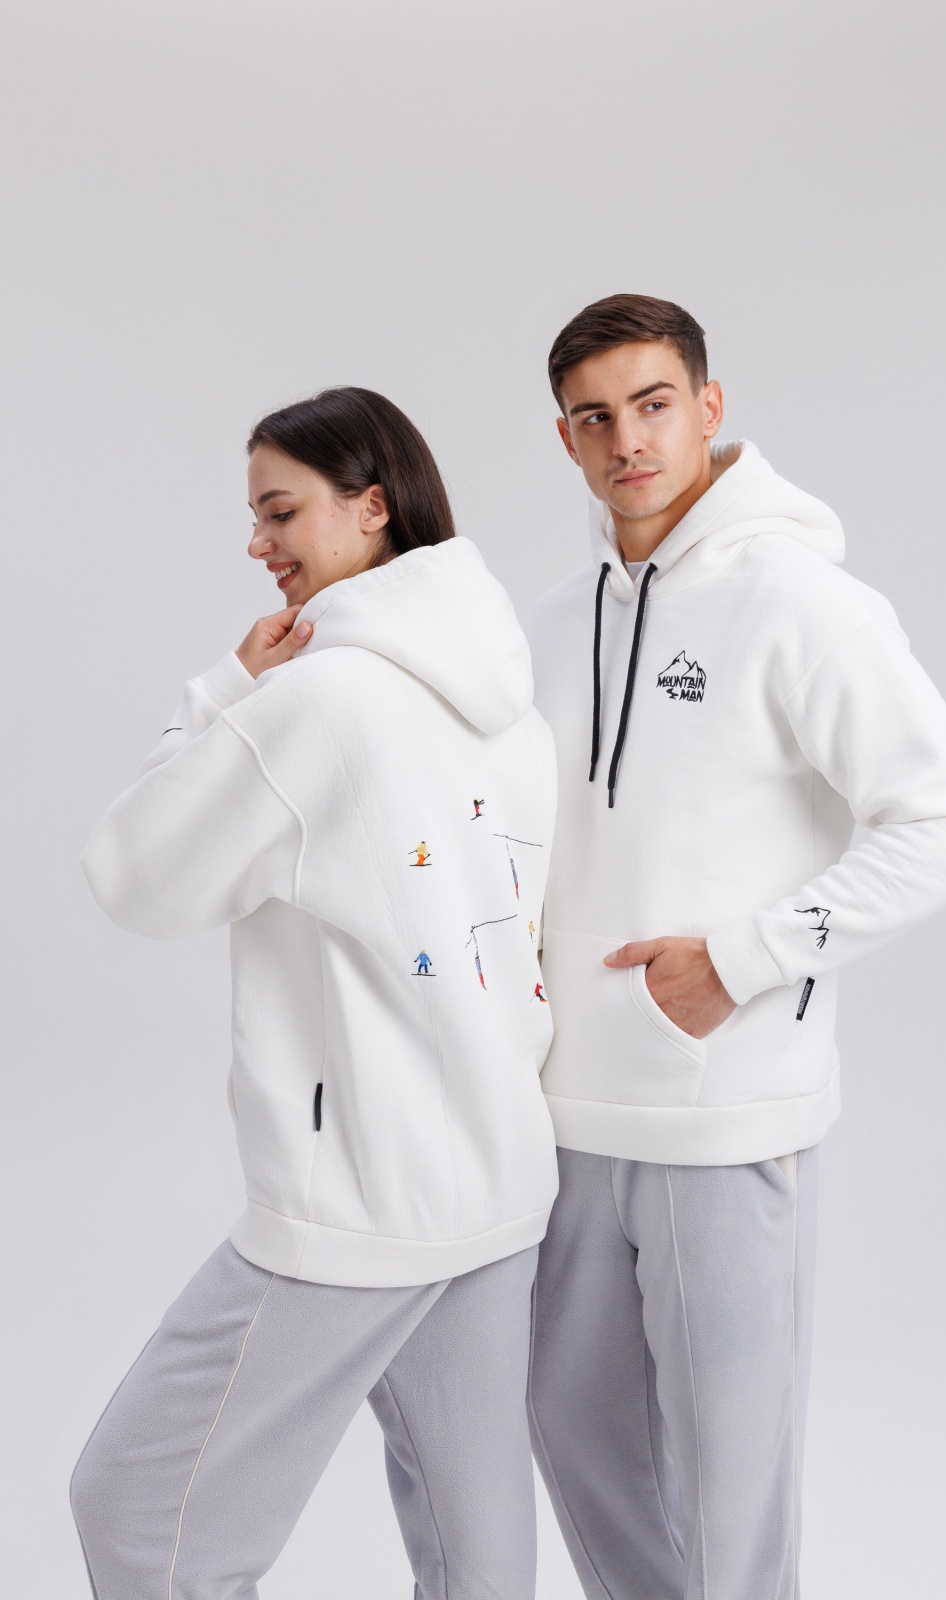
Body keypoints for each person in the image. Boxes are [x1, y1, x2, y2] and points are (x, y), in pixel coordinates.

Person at [525, 295, 946, 1600]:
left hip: (726, 1112)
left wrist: (740, 959)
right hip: (561, 1115)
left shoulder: (804, 605)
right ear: (565, 439)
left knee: (728, 1483)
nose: (628, 440)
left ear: (708, 406)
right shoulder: (552, 622)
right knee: (570, 1430)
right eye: (594, 418)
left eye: (652, 404)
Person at [71, 387, 558, 1600]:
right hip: (497, 1181)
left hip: (358, 1201)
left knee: (136, 1507)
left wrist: (220, 692)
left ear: (371, 506)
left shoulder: (318, 702)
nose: (257, 543)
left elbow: (133, 873)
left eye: (279, 511)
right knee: (477, 1552)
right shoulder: (512, 705)